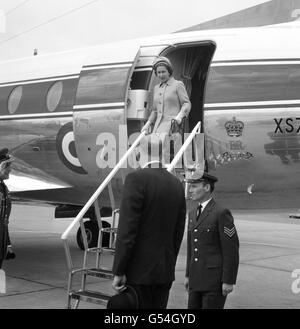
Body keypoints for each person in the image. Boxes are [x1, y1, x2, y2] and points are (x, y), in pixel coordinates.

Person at [111, 138, 186, 309]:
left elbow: (127, 231)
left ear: (139, 152)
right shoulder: (176, 183)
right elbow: (178, 231)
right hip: (164, 271)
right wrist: (169, 263)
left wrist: (119, 270)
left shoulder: (136, 179)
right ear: (161, 153)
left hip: (139, 272)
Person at [184, 171, 239, 309]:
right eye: (190, 186)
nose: (190, 190)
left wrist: (228, 280)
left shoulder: (221, 213)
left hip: (214, 282)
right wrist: (188, 275)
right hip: (196, 279)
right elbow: (192, 247)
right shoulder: (192, 213)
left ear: (207, 187)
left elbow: (231, 250)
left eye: (194, 186)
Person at [142, 56, 191, 135]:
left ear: (169, 72)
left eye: (163, 72)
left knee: (166, 146)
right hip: (157, 127)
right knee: (155, 146)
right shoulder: (156, 88)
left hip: (173, 127)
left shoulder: (177, 84)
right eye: (159, 72)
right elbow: (155, 110)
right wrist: (148, 124)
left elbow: (186, 103)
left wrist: (180, 116)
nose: (161, 75)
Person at [0, 148, 15, 269]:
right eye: (6, 166)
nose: (10, 169)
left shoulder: (3, 189)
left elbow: (4, 220)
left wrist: (7, 243)